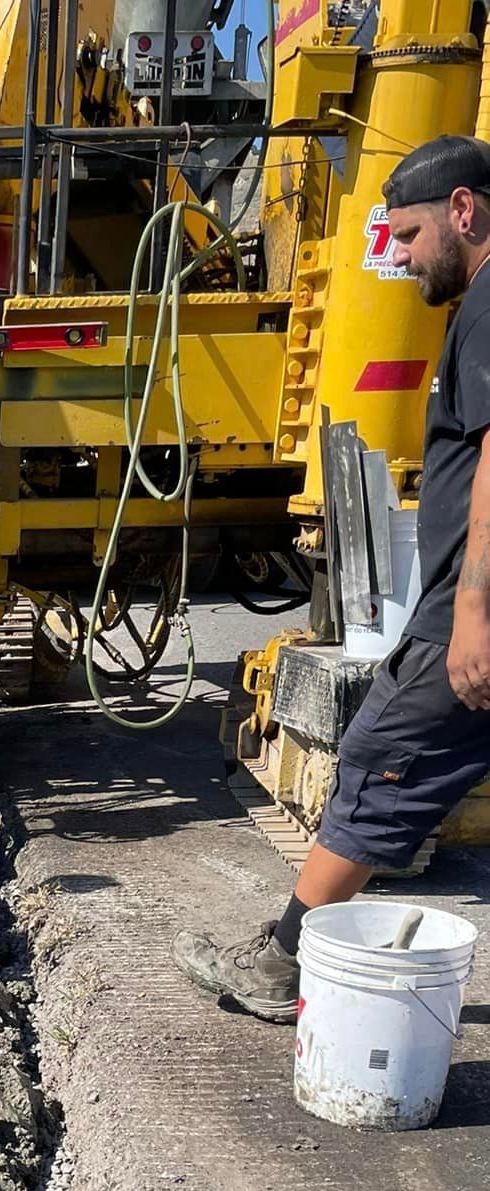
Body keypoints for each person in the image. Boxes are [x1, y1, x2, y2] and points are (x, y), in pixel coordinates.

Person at [175, 133, 490, 1021]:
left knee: (381, 756)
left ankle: (284, 966)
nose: (397, 253)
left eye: (411, 233)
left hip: (469, 613)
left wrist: (472, 612)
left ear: (463, 212)